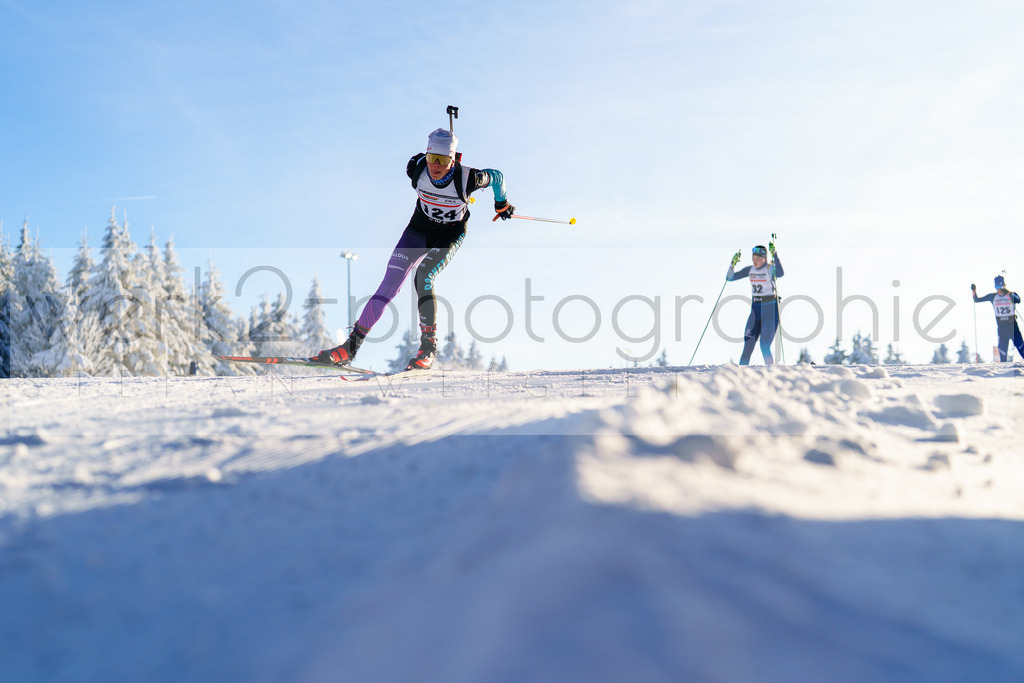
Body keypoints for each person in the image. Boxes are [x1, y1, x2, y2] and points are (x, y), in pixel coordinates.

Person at [316, 127, 514, 370]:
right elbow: (423, 163)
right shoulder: (416, 167)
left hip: (448, 236)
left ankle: (428, 348)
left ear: (453, 159)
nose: (435, 165)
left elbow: (498, 177)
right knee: (388, 285)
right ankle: (350, 348)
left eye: (442, 160)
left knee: (424, 276)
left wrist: (501, 203)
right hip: (417, 232)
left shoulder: (469, 178)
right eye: (432, 158)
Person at [726, 243, 784, 365]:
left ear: (764, 259)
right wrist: (733, 263)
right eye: (753, 257)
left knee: (764, 345)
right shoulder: (750, 270)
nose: (754, 260)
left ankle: (771, 371)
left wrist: (775, 255)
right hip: (755, 310)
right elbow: (730, 278)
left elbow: (780, 273)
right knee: (747, 346)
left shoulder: (770, 268)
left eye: (758, 258)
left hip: (770, 310)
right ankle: (741, 375)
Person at [972, 275, 1024, 362]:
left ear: (1004, 285)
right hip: (1002, 328)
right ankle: (1004, 372)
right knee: (1002, 352)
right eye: (996, 287)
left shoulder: (1011, 295)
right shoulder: (993, 297)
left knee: (1021, 348)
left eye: (1000, 286)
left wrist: (1009, 293)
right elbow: (977, 300)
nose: (998, 289)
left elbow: (1018, 300)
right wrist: (974, 291)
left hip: (1013, 327)